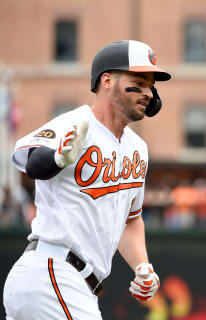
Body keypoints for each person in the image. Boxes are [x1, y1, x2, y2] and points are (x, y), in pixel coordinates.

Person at [3, 40, 171, 319]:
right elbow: (32, 164)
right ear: (107, 80)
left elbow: (130, 220)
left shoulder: (138, 149)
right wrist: (58, 157)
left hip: (74, 286)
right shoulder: (76, 123)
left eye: (151, 85)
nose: (148, 93)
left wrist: (142, 265)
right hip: (53, 273)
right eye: (139, 82)